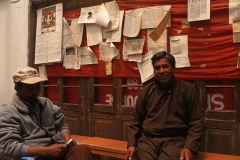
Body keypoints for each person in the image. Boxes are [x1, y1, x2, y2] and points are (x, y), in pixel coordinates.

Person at [0, 67, 94, 160]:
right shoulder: (9, 114)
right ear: (17, 88)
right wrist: (47, 151)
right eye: (30, 89)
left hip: (59, 149)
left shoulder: (46, 103)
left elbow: (61, 124)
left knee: (81, 150)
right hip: (38, 155)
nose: (35, 92)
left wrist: (67, 139)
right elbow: (7, 146)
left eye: (37, 87)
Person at [125, 51, 203, 160]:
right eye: (157, 68)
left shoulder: (187, 90)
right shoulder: (147, 91)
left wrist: (189, 147)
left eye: (165, 66)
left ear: (174, 68)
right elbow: (136, 120)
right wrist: (132, 144)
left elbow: (196, 122)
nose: (161, 71)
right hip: (148, 141)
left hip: (175, 141)